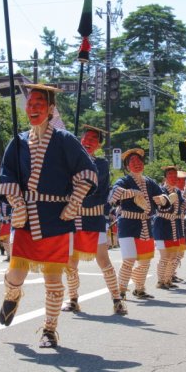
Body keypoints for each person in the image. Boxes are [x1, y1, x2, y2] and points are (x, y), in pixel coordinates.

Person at [0, 84, 98, 348]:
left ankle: (50, 329)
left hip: (56, 217)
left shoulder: (65, 140)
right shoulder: (17, 142)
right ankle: (12, 295)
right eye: (30, 103)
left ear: (51, 109)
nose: (33, 107)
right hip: (27, 216)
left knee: (53, 280)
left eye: (39, 103)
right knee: (16, 273)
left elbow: (86, 172)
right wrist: (16, 201)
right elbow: (7, 175)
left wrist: (74, 201)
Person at [62, 125, 127, 315]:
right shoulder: (69, 161)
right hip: (73, 216)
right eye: (86, 138)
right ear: (80, 139)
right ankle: (73, 298)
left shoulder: (100, 164)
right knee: (71, 262)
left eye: (93, 140)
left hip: (94, 216)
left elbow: (98, 189)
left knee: (103, 260)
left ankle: (117, 299)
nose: (88, 142)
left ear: (98, 145)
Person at [109, 148, 171, 300]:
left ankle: (139, 288)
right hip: (128, 224)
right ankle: (121, 291)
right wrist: (132, 193)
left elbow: (164, 197)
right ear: (127, 166)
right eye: (132, 162)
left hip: (146, 224)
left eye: (139, 161)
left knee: (145, 261)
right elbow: (113, 195)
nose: (137, 164)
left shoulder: (150, 182)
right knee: (129, 259)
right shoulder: (124, 180)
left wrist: (163, 199)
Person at [153, 166, 186, 290]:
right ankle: (161, 281)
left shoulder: (177, 192)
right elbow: (159, 205)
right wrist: (167, 201)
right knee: (165, 256)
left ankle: (167, 279)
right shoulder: (160, 190)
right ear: (165, 178)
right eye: (170, 175)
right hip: (162, 224)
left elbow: (184, 202)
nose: (173, 178)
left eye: (175, 176)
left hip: (173, 227)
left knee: (173, 256)